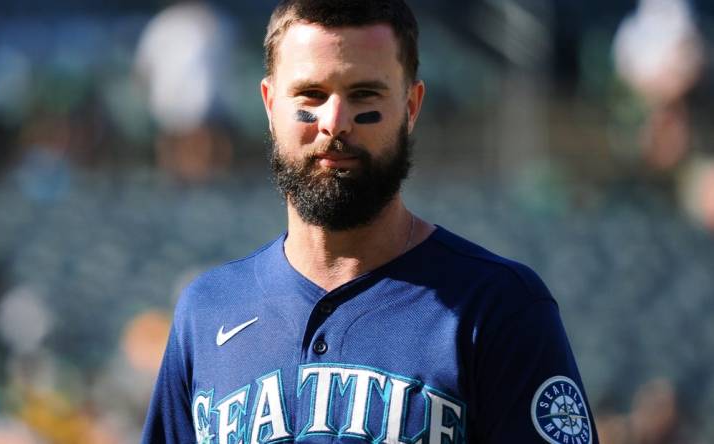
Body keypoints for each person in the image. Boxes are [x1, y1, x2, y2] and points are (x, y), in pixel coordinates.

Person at [142, 1, 598, 443]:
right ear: (269, 103)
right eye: (311, 94)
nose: (334, 123)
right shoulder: (207, 311)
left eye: (364, 94)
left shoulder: (500, 307)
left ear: (411, 105)